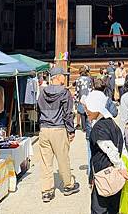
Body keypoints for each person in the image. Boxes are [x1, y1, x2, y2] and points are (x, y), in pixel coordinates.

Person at [84, 91, 128, 214]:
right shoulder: (111, 123)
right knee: (113, 209)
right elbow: (122, 148)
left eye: (89, 107)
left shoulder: (100, 127)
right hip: (115, 176)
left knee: (99, 209)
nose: (86, 111)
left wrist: (121, 167)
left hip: (104, 176)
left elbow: (110, 149)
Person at [37, 67, 80, 202]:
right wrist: (71, 130)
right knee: (63, 159)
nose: (65, 78)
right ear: (57, 77)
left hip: (44, 129)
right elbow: (68, 114)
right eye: (63, 75)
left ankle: (47, 191)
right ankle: (68, 185)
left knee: (45, 162)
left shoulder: (42, 92)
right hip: (59, 129)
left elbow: (38, 110)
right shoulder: (65, 93)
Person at [76, 66, 94, 132]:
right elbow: (92, 88)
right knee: (88, 112)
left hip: (81, 97)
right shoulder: (89, 79)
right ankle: (88, 126)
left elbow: (77, 90)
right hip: (88, 97)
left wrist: (76, 99)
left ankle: (84, 128)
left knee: (82, 113)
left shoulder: (78, 79)